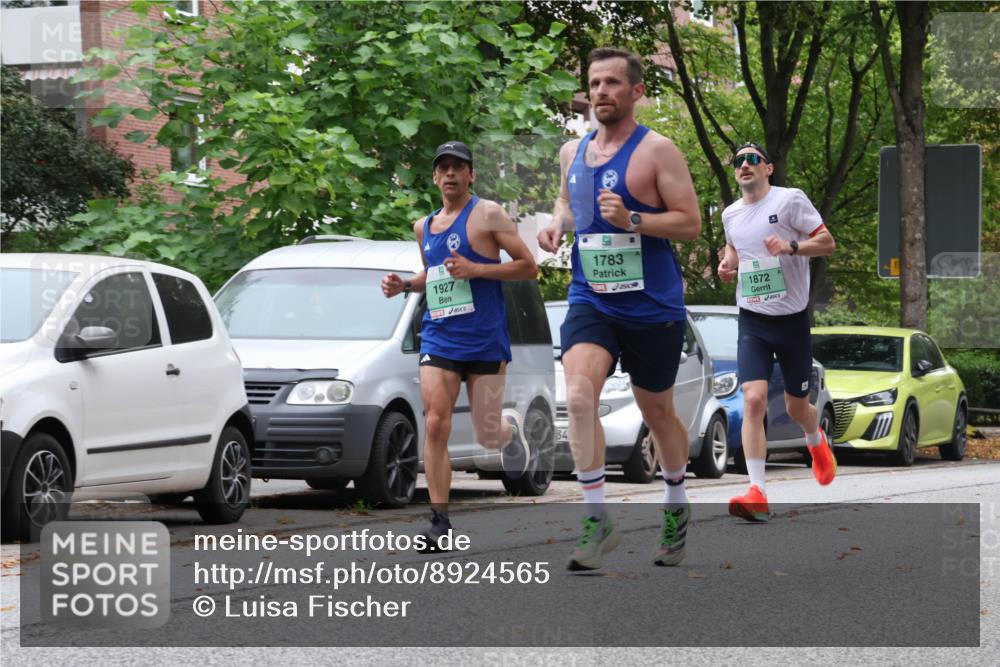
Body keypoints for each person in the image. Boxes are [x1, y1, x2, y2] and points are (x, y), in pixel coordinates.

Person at [537, 48, 702, 570]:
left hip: (652, 305)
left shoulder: (657, 151)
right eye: (594, 83)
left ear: (636, 91)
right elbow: (568, 202)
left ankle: (675, 500)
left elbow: (690, 223)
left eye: (612, 82)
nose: (601, 92)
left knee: (657, 412)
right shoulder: (573, 151)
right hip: (592, 297)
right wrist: (556, 223)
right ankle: (596, 517)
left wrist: (634, 219)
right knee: (579, 396)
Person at [382, 140, 537, 550]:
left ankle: (510, 432)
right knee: (436, 422)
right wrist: (405, 284)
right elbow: (435, 274)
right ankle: (440, 522)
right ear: (435, 177)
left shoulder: (488, 214)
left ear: (471, 174)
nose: (450, 173)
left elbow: (528, 266)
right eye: (443, 167)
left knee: (488, 435)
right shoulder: (423, 227)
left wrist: (477, 269)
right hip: (440, 335)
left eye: (458, 166)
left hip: (484, 338)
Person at [717, 142, 838, 522]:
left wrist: (791, 246)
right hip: (753, 318)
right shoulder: (731, 214)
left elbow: (827, 243)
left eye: (753, 159)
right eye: (738, 161)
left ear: (768, 168)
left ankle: (816, 441)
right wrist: (727, 263)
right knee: (753, 400)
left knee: (796, 407)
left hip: (791, 320)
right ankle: (757, 491)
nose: (745, 165)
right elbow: (735, 247)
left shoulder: (789, 200)